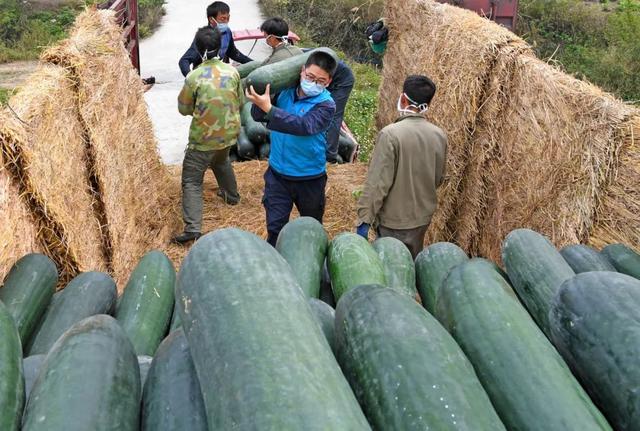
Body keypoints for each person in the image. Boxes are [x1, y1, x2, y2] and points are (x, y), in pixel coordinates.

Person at [245, 51, 338, 246]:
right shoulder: (284, 91)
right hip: (278, 175)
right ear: (302, 71)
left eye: (320, 81)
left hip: (310, 178)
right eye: (310, 77)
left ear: (328, 82)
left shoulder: (326, 105)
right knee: (275, 229)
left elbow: (303, 126)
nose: (313, 83)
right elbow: (258, 116)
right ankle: (276, 268)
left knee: (312, 229)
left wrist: (270, 109)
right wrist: (259, 101)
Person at [356, 75, 447, 258]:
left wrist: (364, 220)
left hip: (393, 221)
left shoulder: (390, 134)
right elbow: (439, 178)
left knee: (393, 267)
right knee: (411, 263)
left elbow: (378, 183)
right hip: (422, 218)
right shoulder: (439, 135)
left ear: (403, 98)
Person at [173, 26, 243, 244]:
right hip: (229, 135)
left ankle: (193, 228)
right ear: (219, 47)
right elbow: (240, 102)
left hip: (203, 139)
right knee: (221, 161)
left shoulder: (194, 77)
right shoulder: (232, 72)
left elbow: (183, 109)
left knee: (192, 181)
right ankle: (232, 197)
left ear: (197, 48)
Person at [178, 1, 252, 77]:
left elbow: (233, 53)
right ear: (211, 20)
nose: (226, 22)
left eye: (228, 18)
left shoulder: (227, 32)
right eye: (223, 19)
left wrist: (254, 64)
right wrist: (190, 78)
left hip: (219, 73)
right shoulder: (204, 37)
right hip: (203, 76)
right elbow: (184, 61)